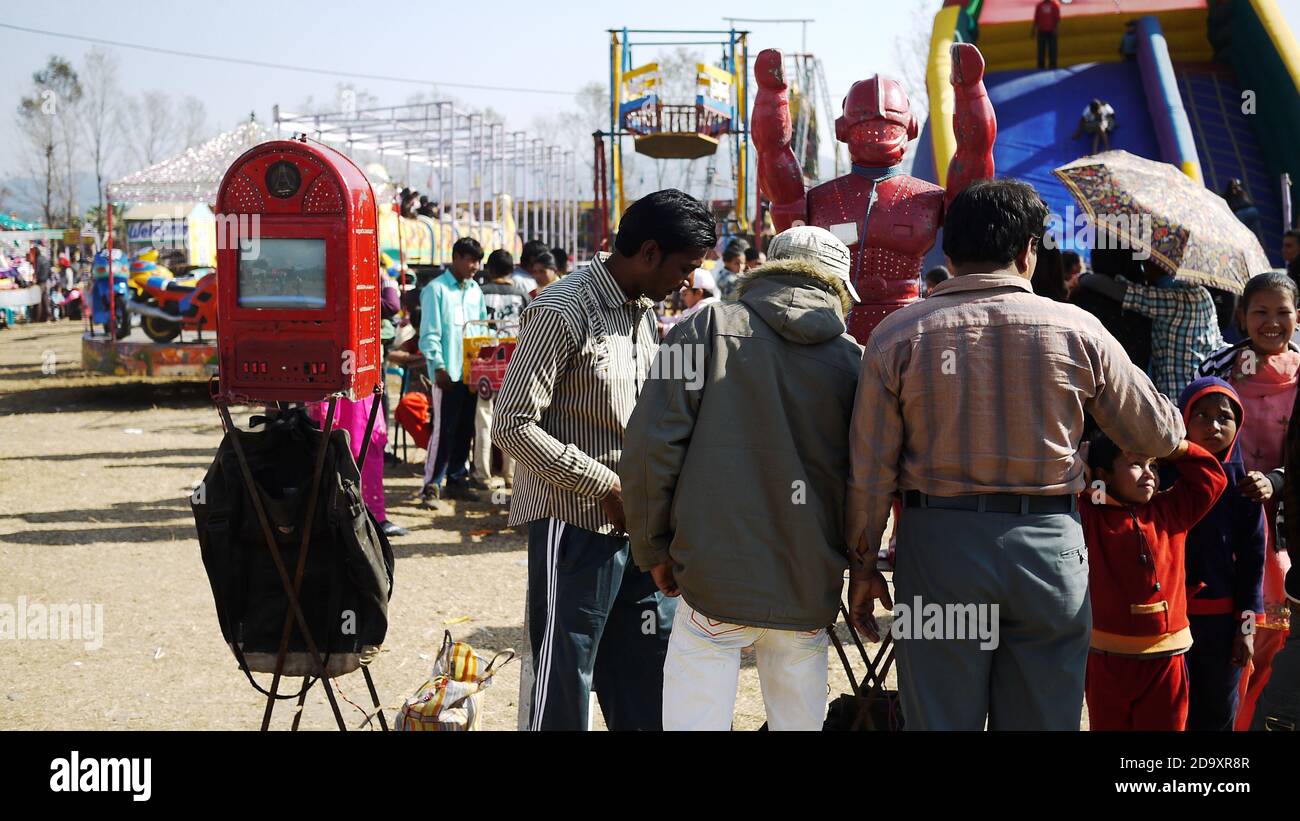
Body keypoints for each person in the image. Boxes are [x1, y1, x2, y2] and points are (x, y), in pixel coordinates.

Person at [846, 178, 1186, 730]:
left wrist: (862, 565)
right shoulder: (1080, 331)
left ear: (947, 253)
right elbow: (1156, 436)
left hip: (939, 548)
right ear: (1029, 250)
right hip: (1048, 550)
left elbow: (869, 473)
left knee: (940, 719)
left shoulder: (897, 335)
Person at [622, 225, 864, 731]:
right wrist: (857, 563)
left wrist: (653, 548)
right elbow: (866, 477)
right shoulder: (851, 358)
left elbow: (650, 448)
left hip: (711, 572)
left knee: (696, 707)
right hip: (807, 577)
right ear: (837, 288)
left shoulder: (705, 327)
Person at [492, 188, 716, 731]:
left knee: (644, 667)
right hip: (575, 524)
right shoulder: (561, 310)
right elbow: (512, 426)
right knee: (565, 671)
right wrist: (605, 486)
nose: (687, 282)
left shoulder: (642, 309)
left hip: (637, 526)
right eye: (684, 267)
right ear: (648, 252)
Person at [1197, 271, 1299, 729]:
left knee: (1274, 638)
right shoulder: (1218, 367)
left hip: (1286, 521)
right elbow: (1195, 425)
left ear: (1299, 317)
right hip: (1226, 513)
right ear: (1242, 316)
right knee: (1229, 634)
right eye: (1260, 311)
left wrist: (1276, 482)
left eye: (1283, 312)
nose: (1271, 322)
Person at [1080, 432, 1225, 730]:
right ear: (1102, 475)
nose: (1148, 473)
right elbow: (1065, 489)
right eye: (1136, 463)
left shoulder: (1171, 510)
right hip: (1106, 659)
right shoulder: (1089, 514)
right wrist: (1079, 466)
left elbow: (1211, 478)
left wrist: (1169, 442)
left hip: (1166, 658)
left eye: (1154, 465)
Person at [1171, 377, 1266, 730]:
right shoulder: (1164, 481)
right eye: (1201, 416)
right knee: (1173, 709)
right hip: (1170, 620)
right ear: (1182, 420)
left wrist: (1246, 630)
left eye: (1223, 417)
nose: (1213, 426)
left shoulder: (1246, 488)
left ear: (1238, 424)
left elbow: (1252, 563)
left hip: (1222, 625)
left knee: (1217, 711)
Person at [1074, 259, 1224, 399]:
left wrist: (1082, 277)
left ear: (1161, 265)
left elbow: (1122, 292)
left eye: (1148, 262)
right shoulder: (1203, 294)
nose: (1143, 267)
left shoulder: (1170, 299)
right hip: (1202, 393)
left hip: (1176, 399)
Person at [419, 237, 487, 505]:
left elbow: (481, 329)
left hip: (471, 373)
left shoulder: (475, 291)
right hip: (447, 373)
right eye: (471, 260)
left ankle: (457, 479)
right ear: (456, 257)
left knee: (465, 429)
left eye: (478, 261)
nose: (475, 266)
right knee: (443, 430)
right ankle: (431, 484)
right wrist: (438, 367)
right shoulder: (435, 290)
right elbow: (429, 333)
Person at [1071, 247, 1152, 376]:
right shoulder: (1146, 300)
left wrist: (1084, 278)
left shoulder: (1081, 297)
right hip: (1135, 383)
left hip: (1093, 382)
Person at [1031, 0, 1061, 70]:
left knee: (1052, 51)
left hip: (1051, 31)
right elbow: (1036, 19)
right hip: (1041, 31)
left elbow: (1057, 18)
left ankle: (1053, 67)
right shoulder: (1039, 6)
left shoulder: (1054, 5)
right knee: (1041, 51)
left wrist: (1055, 28)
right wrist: (1033, 30)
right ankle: (1041, 67)